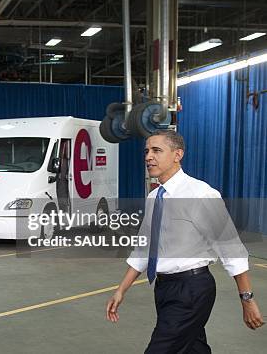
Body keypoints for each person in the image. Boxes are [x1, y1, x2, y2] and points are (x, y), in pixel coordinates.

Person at [105, 129, 263, 353]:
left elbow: (231, 250)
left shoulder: (201, 194)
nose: (148, 156)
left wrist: (247, 299)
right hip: (164, 289)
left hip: (192, 290)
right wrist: (121, 290)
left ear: (177, 154)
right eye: (147, 151)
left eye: (157, 150)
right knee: (193, 348)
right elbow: (143, 250)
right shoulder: (153, 198)